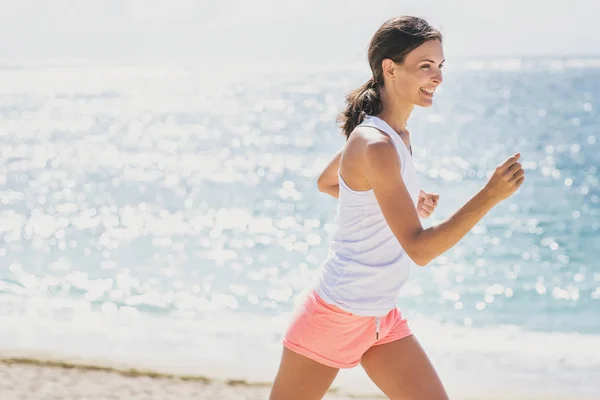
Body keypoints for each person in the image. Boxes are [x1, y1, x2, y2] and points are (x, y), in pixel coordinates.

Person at [269, 16, 525, 400]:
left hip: (380, 318)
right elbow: (420, 250)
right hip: (336, 314)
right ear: (390, 68)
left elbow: (330, 181)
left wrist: (395, 199)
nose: (437, 76)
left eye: (440, 66)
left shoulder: (394, 135)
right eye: (426, 66)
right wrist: (489, 195)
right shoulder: (376, 144)